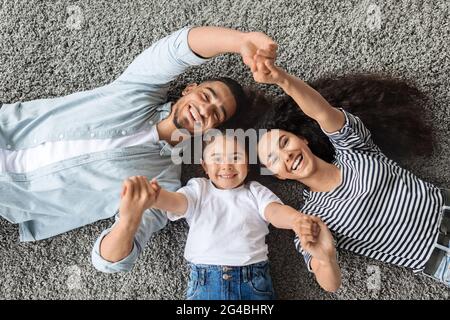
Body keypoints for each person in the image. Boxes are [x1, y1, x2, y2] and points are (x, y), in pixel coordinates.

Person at [0, 26, 277, 273]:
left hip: (10, 199)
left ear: (211, 130)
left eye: (216, 115)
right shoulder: (136, 91)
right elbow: (177, 49)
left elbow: (109, 261)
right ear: (189, 89)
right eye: (206, 96)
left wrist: (130, 220)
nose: (204, 110)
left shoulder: (164, 184)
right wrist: (243, 40)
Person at [252, 53, 450, 288]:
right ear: (279, 176)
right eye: (273, 159)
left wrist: (283, 80)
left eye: (284, 142)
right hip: (440, 260)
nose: (286, 155)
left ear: (303, 140)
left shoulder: (352, 148)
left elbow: (322, 112)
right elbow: (330, 284)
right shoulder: (310, 219)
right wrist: (325, 257)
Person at [121, 132, 340, 299]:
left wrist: (295, 220)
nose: (226, 165)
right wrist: (157, 197)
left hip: (253, 280)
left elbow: (274, 211)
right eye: (216, 159)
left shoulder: (254, 191)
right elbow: (179, 203)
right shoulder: (199, 189)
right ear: (205, 167)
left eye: (236, 157)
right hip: (205, 282)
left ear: (247, 163)